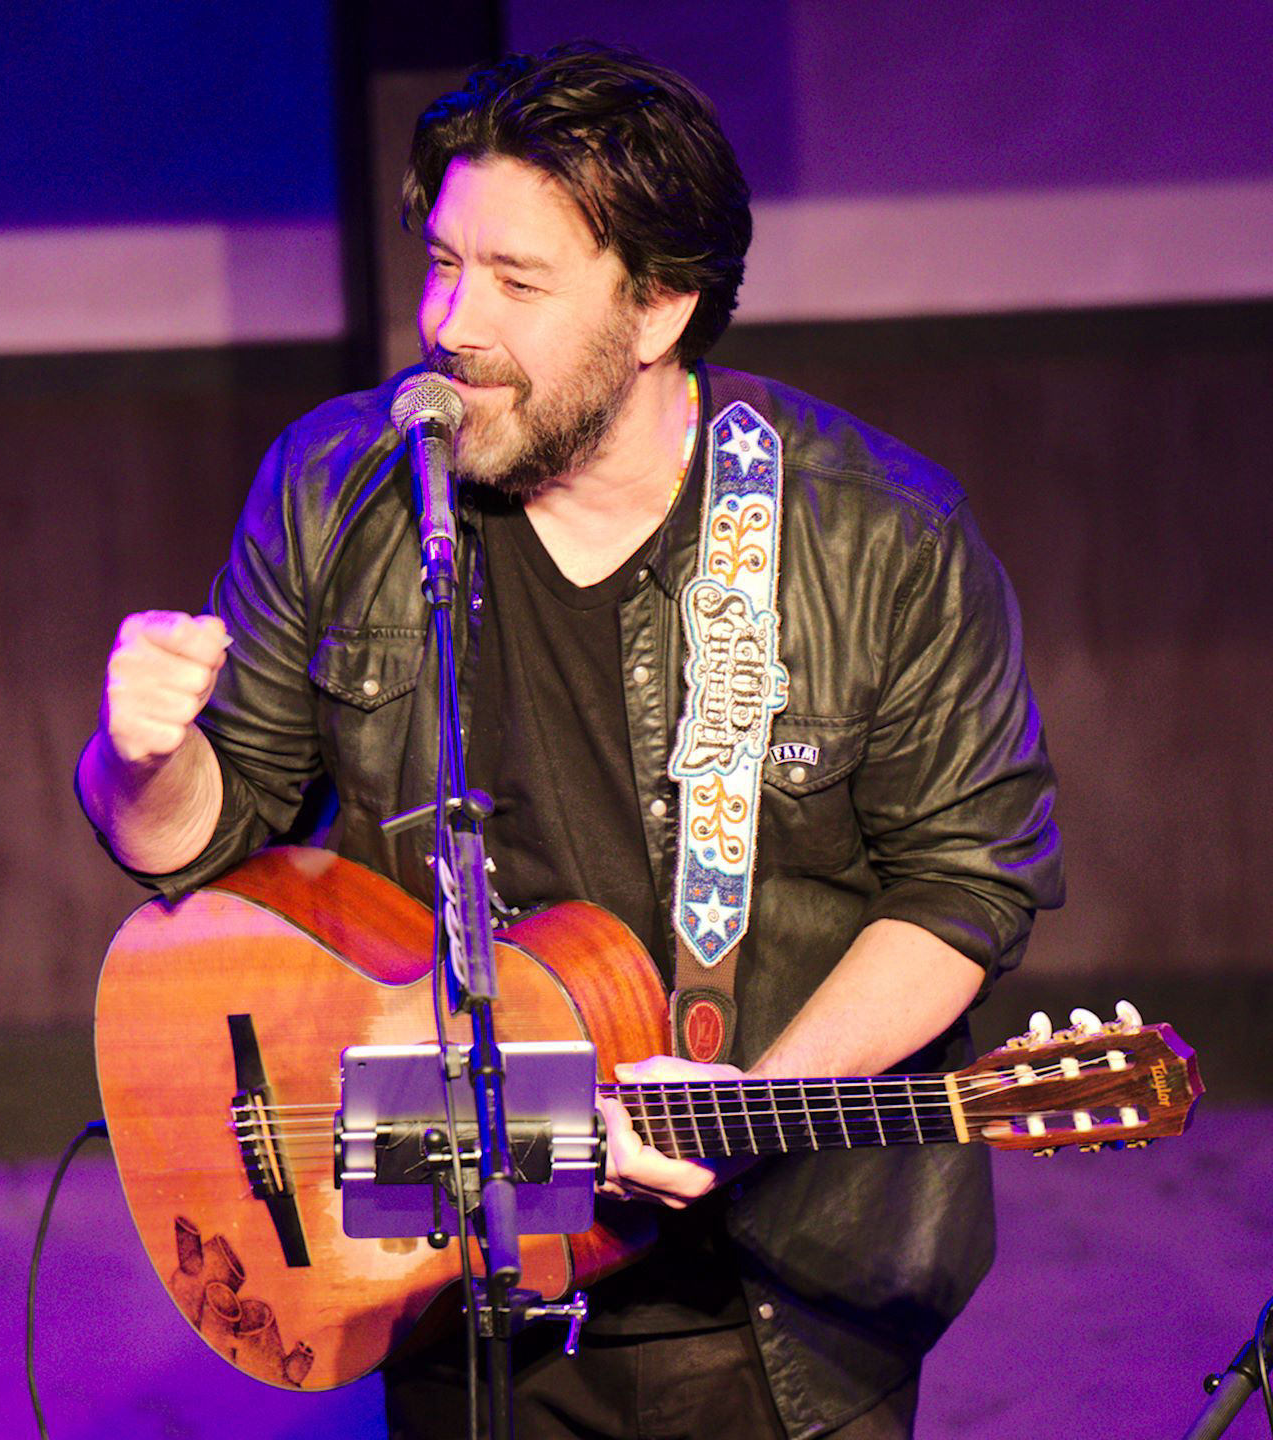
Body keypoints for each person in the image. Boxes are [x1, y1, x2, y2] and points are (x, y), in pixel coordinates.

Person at [77, 42, 1063, 1440]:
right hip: (445, 1263)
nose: (449, 322)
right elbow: (200, 842)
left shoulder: (879, 538)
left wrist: (753, 1103)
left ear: (660, 306)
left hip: (775, 1304)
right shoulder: (336, 486)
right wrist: (139, 762)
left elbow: (966, 885)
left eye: (515, 281)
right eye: (441, 264)